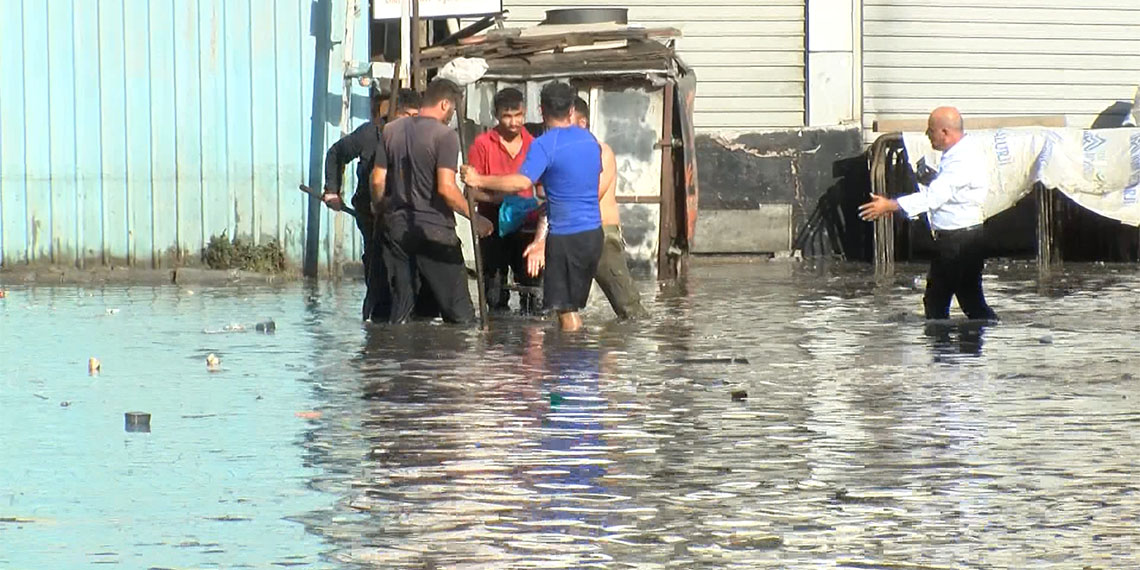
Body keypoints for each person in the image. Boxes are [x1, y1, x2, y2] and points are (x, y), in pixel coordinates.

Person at [461, 82, 603, 332]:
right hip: (593, 234)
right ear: (572, 110)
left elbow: (522, 181)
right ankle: (579, 365)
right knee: (569, 308)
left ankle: (571, 367)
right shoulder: (590, 141)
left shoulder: (545, 144)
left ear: (540, 110)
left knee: (564, 311)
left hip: (565, 236)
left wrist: (478, 180)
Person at [370, 78, 493, 325]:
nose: (452, 116)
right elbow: (447, 189)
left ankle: (402, 360)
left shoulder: (391, 130)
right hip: (436, 233)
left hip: (398, 232)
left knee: (403, 312)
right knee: (461, 317)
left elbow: (376, 180)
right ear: (445, 104)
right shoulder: (445, 135)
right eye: (454, 110)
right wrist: (475, 217)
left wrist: (381, 207)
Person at [859, 106, 998, 321]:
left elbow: (934, 197)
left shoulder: (961, 159)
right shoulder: (962, 152)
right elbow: (948, 191)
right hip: (967, 237)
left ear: (945, 132)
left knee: (936, 301)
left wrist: (890, 205)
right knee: (971, 300)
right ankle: (969, 350)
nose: (927, 135)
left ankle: (941, 351)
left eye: (931, 130)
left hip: (958, 241)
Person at [522, 96, 648, 320]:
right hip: (569, 234)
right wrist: (541, 239)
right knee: (560, 307)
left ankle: (634, 349)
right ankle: (572, 349)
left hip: (601, 232)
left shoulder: (600, 151)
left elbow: (585, 195)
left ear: (580, 122)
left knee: (628, 307)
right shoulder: (562, 151)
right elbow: (552, 199)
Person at [321, 88, 426, 321]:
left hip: (407, 215)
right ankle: (376, 326)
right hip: (371, 214)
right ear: (394, 114)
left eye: (416, 118)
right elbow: (336, 153)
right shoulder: (371, 134)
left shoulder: (423, 137)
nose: (411, 124)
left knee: (410, 273)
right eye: (406, 117)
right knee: (378, 270)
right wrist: (332, 191)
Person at [465, 88, 543, 314]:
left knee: (533, 295)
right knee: (495, 294)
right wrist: (500, 198)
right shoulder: (482, 144)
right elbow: (470, 191)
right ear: (496, 115)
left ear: (525, 113)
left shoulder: (534, 144)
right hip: (492, 226)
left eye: (518, 115)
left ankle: (531, 346)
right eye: (507, 116)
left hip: (527, 227)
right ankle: (495, 345)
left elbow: (541, 188)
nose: (513, 122)